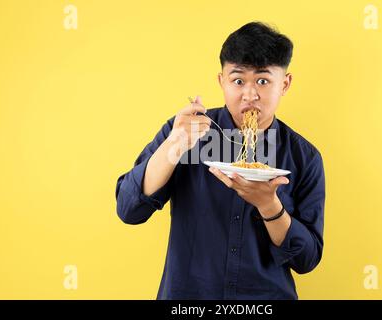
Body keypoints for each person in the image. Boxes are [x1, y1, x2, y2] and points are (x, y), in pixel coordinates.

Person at [115, 21, 325, 300]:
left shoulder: (304, 156)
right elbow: (129, 210)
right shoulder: (185, 132)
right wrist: (173, 147)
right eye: (238, 81)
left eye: (263, 81)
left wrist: (269, 205)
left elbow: (306, 260)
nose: (250, 95)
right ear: (221, 81)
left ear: (284, 84)